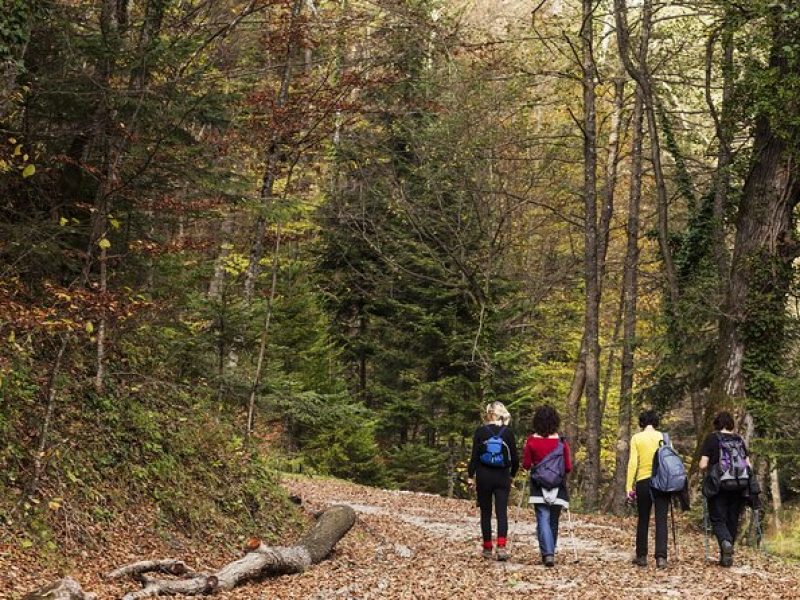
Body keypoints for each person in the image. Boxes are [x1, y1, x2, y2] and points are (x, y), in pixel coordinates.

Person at [467, 401, 519, 560]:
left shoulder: (480, 432)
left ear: (488, 414)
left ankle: (488, 547)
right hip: (502, 476)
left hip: (483, 476)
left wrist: (470, 476)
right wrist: (512, 475)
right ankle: (502, 547)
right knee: (501, 512)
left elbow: (474, 456)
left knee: (486, 512)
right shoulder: (507, 432)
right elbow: (515, 458)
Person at [522, 405, 572, 567]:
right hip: (558, 486)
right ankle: (551, 551)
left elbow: (526, 465)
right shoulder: (561, 442)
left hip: (538, 486)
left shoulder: (531, 441)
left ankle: (547, 553)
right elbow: (568, 467)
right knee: (553, 520)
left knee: (542, 518)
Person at [699, 411, 750, 567]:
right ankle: (726, 556)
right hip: (739, 485)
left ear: (717, 423)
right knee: (732, 519)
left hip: (718, 485)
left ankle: (725, 542)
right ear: (731, 424)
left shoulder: (712, 438)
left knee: (717, 518)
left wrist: (705, 472)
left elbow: (703, 464)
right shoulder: (739, 440)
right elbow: (748, 464)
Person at [626, 409, 670, 568]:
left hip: (643, 481)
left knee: (643, 518)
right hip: (663, 482)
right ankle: (661, 557)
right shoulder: (664, 437)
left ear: (642, 422)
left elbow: (633, 463)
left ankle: (642, 555)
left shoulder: (637, 438)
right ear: (656, 422)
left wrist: (628, 486)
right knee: (661, 519)